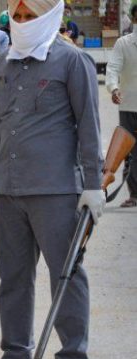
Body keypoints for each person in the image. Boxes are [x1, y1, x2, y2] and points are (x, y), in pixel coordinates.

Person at [0, 1, 104, 359]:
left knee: (66, 276)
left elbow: (89, 127)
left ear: (50, 17)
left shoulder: (73, 62)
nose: (23, 24)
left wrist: (93, 185)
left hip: (57, 190)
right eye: (19, 17)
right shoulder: (3, 62)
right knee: (13, 277)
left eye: (32, 17)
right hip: (9, 189)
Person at [106, 4, 137, 208]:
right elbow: (113, 68)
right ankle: (134, 193)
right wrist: (114, 88)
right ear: (134, 19)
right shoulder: (123, 43)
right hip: (129, 106)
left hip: (128, 105)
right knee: (129, 151)